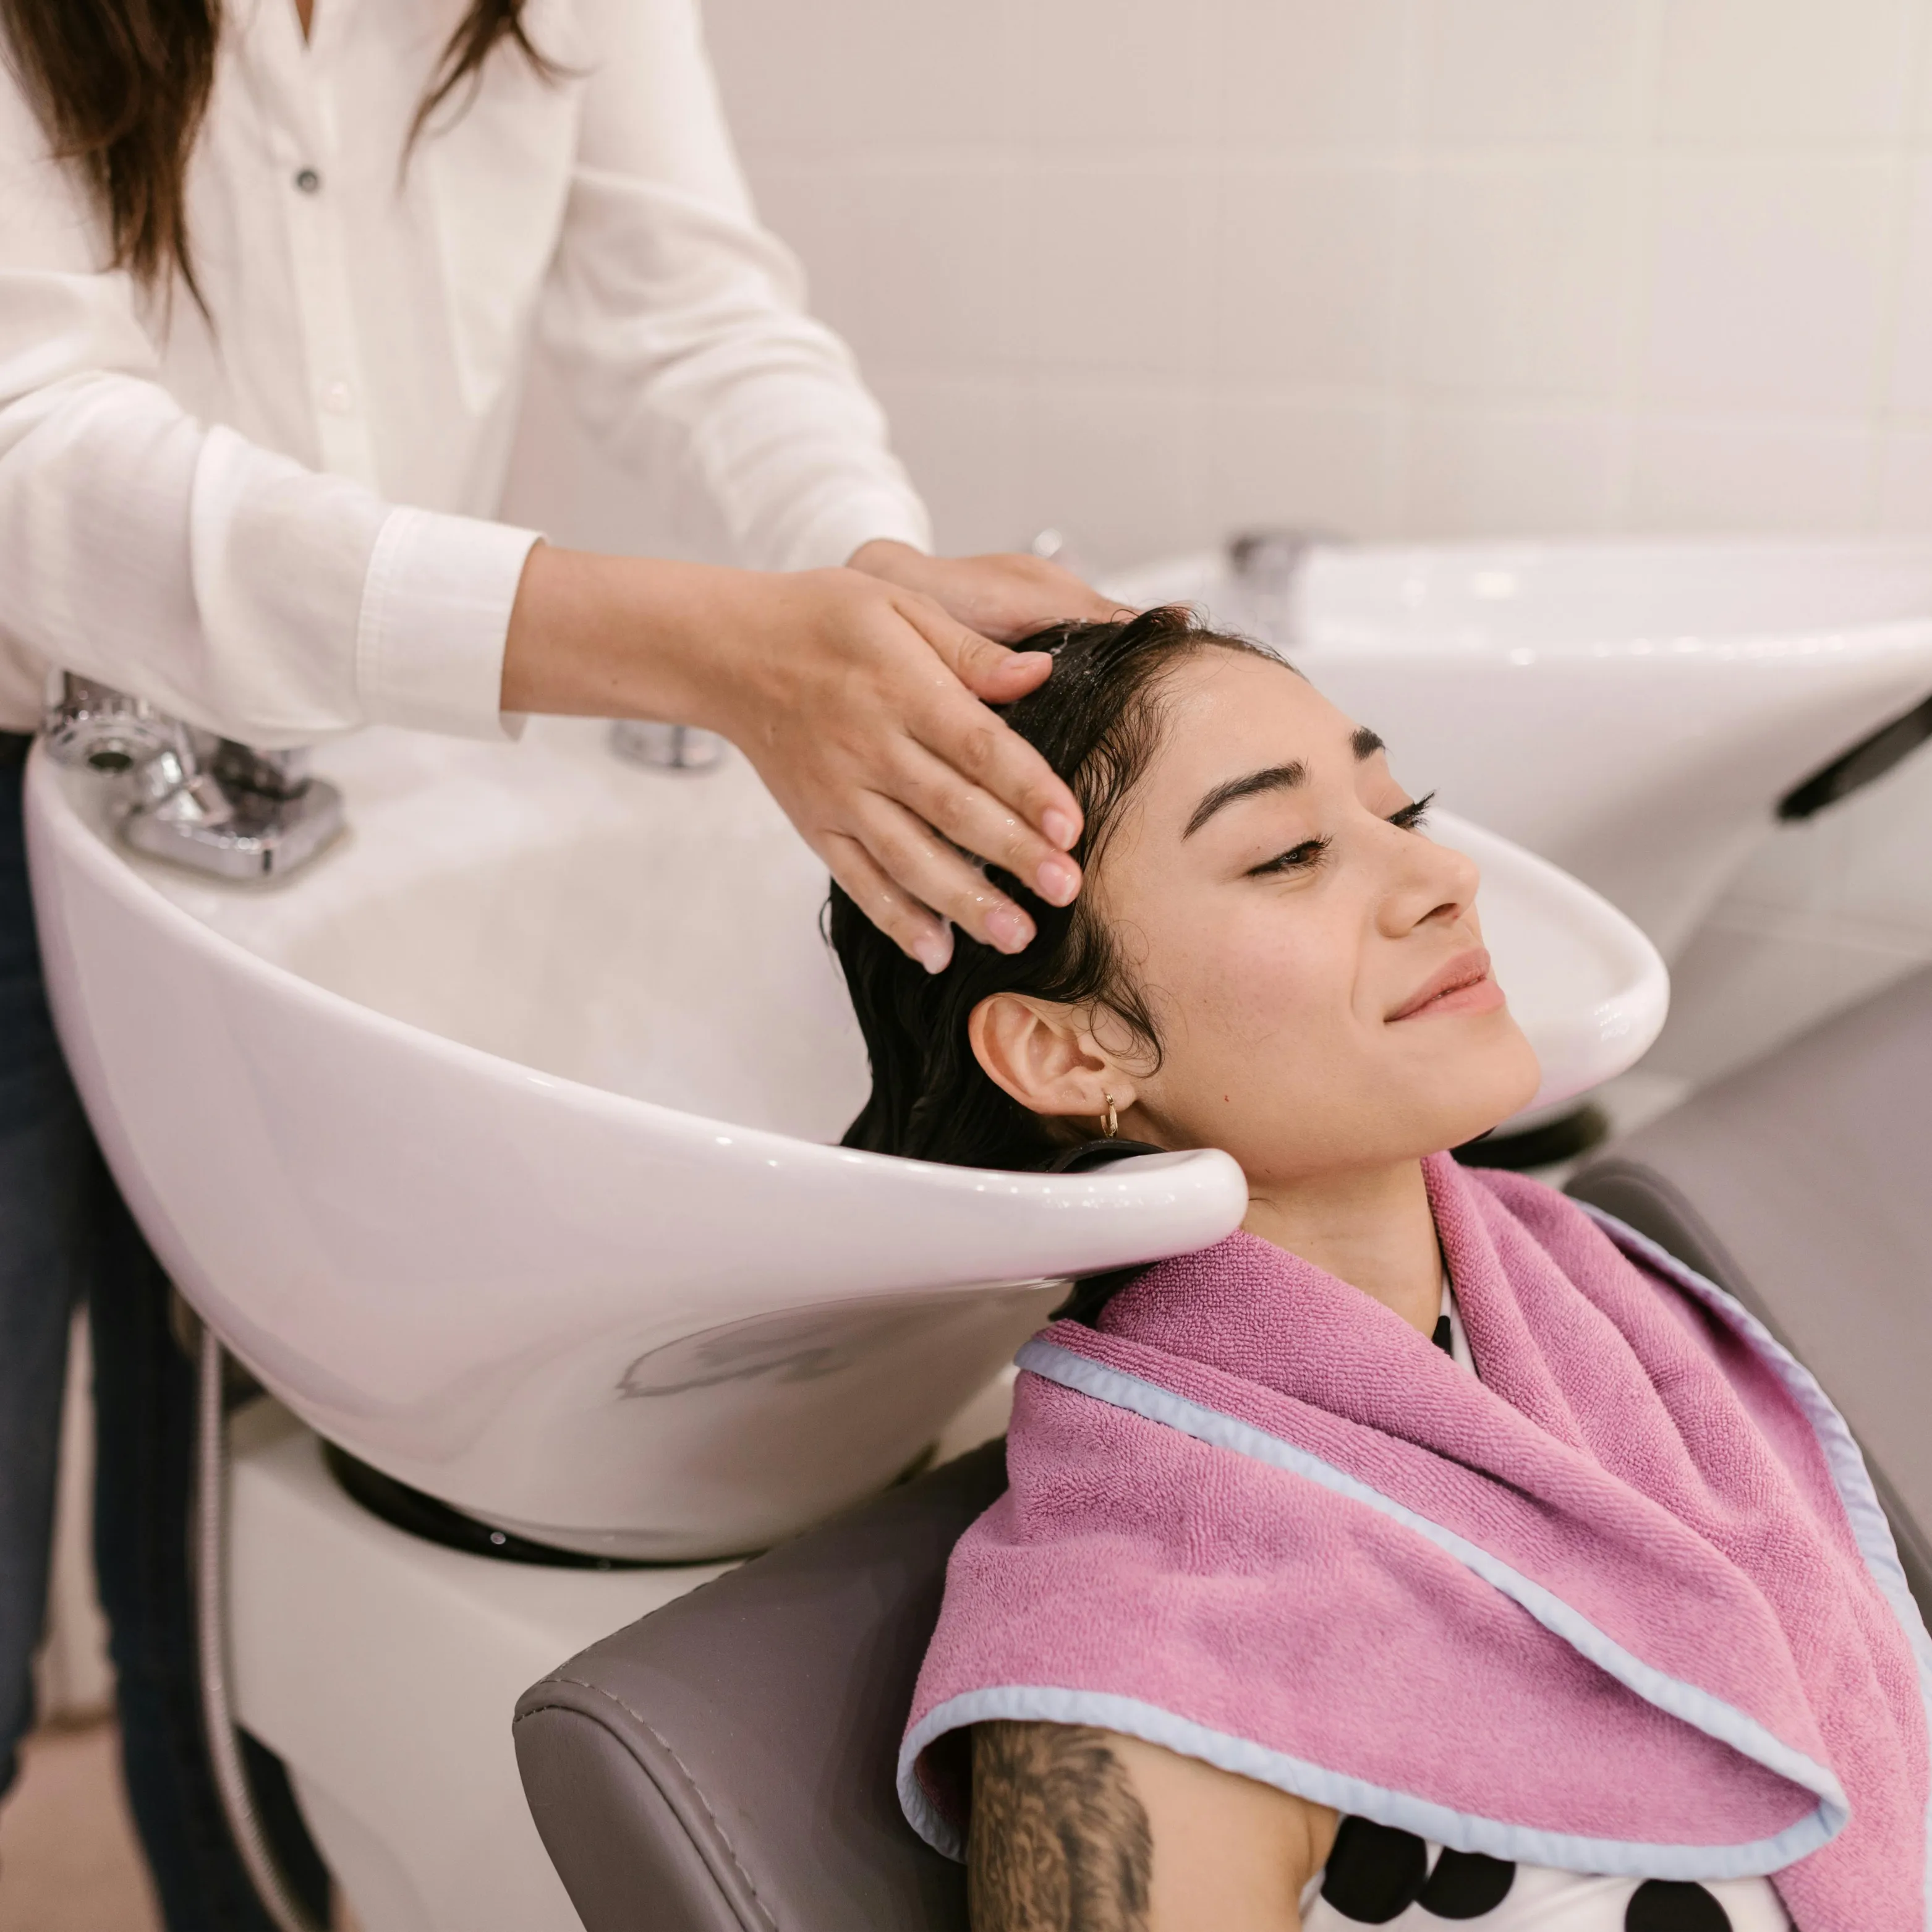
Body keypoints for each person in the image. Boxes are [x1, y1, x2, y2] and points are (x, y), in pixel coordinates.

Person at [0, 1, 1117, 1923]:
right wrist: (688, 645)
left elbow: (691, 310)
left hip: (333, 776)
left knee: (229, 1526)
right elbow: (34, 458)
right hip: (42, 732)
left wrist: (865, 572)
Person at [828, 608, 1931, 1932]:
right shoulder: (1135, 1668)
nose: (1442, 876)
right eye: (1288, 852)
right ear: (1074, 1051)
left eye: (1401, 809)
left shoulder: (1587, 1316)